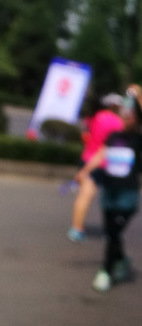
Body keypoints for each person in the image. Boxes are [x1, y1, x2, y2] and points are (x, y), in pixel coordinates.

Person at [75, 86, 142, 292]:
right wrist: (84, 171)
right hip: (109, 194)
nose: (127, 115)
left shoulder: (139, 139)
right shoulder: (113, 136)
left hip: (127, 196)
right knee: (113, 234)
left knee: (113, 233)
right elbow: (100, 154)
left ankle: (106, 271)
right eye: (124, 112)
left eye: (131, 113)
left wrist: (138, 95)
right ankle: (120, 259)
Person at [68, 93, 124, 242]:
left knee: (83, 197)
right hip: (104, 164)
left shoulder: (95, 117)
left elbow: (86, 136)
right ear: (115, 106)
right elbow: (106, 148)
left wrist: (83, 170)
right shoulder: (117, 122)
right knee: (112, 200)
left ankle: (76, 229)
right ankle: (111, 231)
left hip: (86, 159)